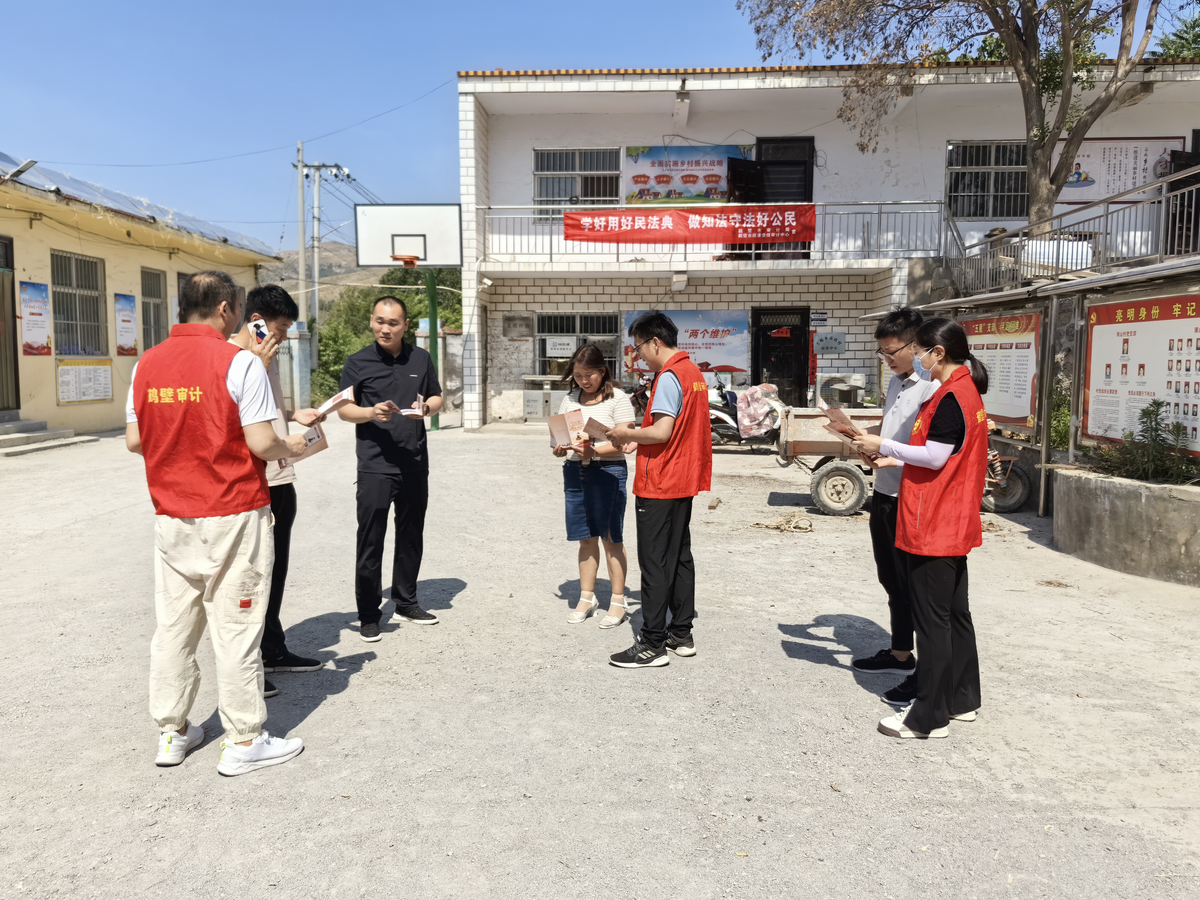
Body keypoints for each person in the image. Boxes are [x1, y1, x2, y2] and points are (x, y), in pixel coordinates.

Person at [126, 271, 308, 775]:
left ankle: (173, 731)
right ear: (227, 310)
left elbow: (135, 441)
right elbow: (261, 443)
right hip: (233, 511)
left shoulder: (146, 363)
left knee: (174, 628)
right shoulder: (239, 364)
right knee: (236, 627)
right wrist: (291, 445)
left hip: (172, 516)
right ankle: (245, 739)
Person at [853, 317, 988, 739]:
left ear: (938, 353)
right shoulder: (966, 392)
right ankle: (962, 698)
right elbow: (945, 454)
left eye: (922, 350)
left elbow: (933, 456)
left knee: (932, 623)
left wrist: (883, 446)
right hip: (952, 516)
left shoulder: (950, 395)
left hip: (934, 521)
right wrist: (894, 459)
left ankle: (928, 715)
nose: (919, 358)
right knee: (954, 615)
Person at [229, 285, 327, 693]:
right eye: (281, 326)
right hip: (259, 478)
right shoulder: (239, 360)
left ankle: (272, 647)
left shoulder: (263, 358)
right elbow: (232, 411)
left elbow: (260, 409)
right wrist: (253, 361)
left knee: (277, 566)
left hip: (280, 476)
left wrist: (291, 412)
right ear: (255, 320)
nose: (284, 335)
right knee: (256, 572)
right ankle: (251, 664)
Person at [606, 311, 712, 668]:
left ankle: (652, 642)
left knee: (654, 562)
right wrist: (642, 440)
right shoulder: (693, 372)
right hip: (683, 478)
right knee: (680, 556)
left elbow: (663, 432)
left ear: (655, 341)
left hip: (661, 481)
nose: (638, 356)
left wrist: (627, 434)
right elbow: (676, 431)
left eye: (638, 348)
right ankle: (681, 633)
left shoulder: (668, 376)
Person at [337, 296, 443, 642]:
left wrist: (426, 408)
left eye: (393, 322)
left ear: (405, 326)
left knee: (411, 535)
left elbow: (437, 396)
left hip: (413, 461)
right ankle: (368, 614)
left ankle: (406, 601)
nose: (386, 328)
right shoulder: (357, 363)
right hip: (375, 465)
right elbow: (344, 409)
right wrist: (370, 413)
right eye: (380, 321)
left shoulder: (421, 358)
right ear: (371, 322)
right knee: (371, 540)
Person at [850, 309, 939, 710]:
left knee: (916, 587)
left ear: (917, 346)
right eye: (882, 352)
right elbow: (893, 433)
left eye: (892, 352)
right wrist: (866, 440)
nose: (886, 359)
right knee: (891, 577)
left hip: (913, 499)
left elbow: (935, 453)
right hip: (885, 492)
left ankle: (927, 675)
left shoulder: (932, 387)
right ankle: (901, 652)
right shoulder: (896, 383)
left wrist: (886, 450)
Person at [551, 344, 637, 627]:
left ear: (602, 371)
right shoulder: (570, 399)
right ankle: (587, 598)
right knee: (584, 537)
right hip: (576, 472)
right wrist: (560, 447)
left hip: (609, 472)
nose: (583, 381)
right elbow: (560, 436)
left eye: (589, 374)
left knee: (611, 538)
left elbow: (627, 444)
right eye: (577, 375)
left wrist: (595, 452)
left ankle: (617, 600)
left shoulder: (619, 399)